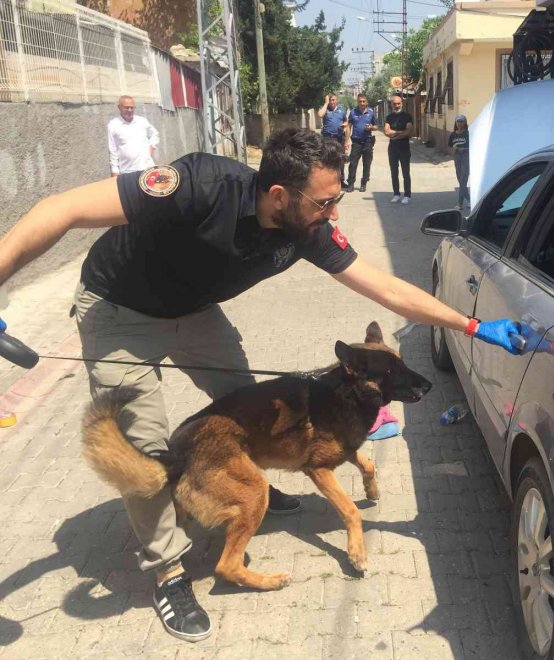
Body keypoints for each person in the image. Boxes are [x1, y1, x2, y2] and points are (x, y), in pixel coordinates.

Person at [0, 127, 521, 643]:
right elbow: (59, 209)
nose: (333, 214)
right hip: (118, 307)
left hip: (193, 311)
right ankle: (169, 572)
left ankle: (242, 477)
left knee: (250, 406)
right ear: (278, 196)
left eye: (336, 200)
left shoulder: (309, 230)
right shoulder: (197, 185)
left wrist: (473, 327)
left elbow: (386, 288)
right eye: (324, 202)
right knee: (144, 445)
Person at [107, 95, 159, 176]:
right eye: (126, 107)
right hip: (127, 172)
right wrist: (115, 171)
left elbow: (154, 134)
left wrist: (151, 147)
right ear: (119, 107)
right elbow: (113, 150)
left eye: (132, 107)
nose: (129, 110)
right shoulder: (113, 125)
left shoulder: (142, 121)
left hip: (148, 168)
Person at [383, 95, 413, 204]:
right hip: (392, 149)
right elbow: (386, 131)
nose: (396, 105)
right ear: (391, 104)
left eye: (398, 103)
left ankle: (407, 195)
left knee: (406, 173)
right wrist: (400, 132)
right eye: (394, 104)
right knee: (394, 172)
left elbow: (409, 132)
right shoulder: (389, 117)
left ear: (402, 103)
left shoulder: (407, 117)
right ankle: (396, 194)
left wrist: (394, 134)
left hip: (404, 148)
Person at [345, 94, 377, 193]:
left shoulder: (371, 112)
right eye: (360, 101)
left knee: (367, 164)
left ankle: (364, 183)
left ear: (366, 102)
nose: (362, 103)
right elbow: (348, 126)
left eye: (364, 101)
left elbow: (376, 126)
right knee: (353, 164)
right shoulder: (353, 112)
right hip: (356, 142)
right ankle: (351, 184)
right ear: (357, 102)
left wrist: (371, 127)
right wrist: (346, 140)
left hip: (367, 142)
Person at [317, 94, 349, 181]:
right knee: (327, 159)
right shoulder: (324, 108)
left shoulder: (341, 110)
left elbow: (346, 122)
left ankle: (341, 180)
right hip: (327, 138)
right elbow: (320, 114)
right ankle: (328, 180)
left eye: (333, 100)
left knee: (340, 159)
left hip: (339, 138)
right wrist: (326, 103)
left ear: (337, 100)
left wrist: (344, 125)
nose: (332, 102)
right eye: (330, 100)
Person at [448, 114, 470, 210]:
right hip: (457, 158)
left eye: (462, 121)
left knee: (463, 180)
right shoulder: (453, 134)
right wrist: (454, 147)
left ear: (465, 123)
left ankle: (460, 203)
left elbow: (473, 145)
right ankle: (470, 200)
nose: (460, 124)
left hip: (466, 157)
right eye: (458, 121)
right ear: (455, 123)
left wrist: (464, 148)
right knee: (460, 179)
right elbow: (450, 145)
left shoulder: (468, 133)